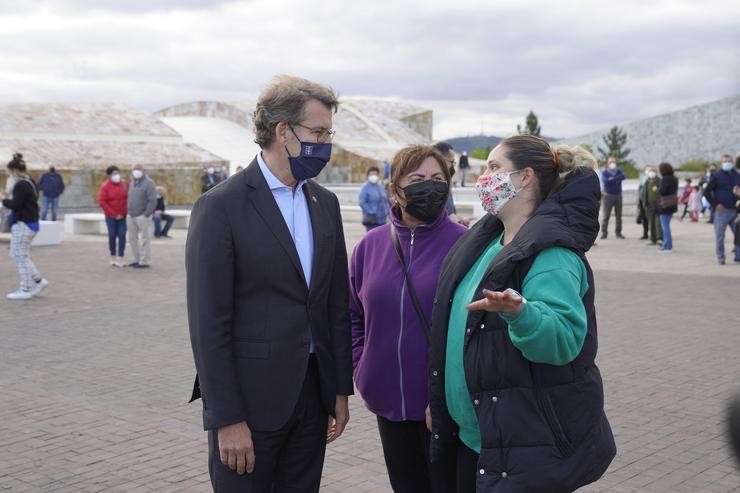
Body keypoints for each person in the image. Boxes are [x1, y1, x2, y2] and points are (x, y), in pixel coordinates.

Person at [186, 74, 353, 492]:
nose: (325, 143)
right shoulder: (221, 206)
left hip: (312, 400)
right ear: (283, 132)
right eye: (317, 132)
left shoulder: (325, 203)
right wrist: (225, 419)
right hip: (250, 408)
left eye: (328, 133)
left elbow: (335, 303)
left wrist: (338, 389)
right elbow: (209, 326)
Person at [428, 135, 615, 492]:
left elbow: (562, 339)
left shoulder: (552, 255)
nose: (484, 177)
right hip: (476, 435)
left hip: (521, 445)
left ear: (526, 177)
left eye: (494, 168)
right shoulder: (489, 240)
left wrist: (522, 314)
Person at [350, 145, 466, 493]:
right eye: (416, 179)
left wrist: (447, 397)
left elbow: (475, 331)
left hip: (444, 408)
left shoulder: (466, 244)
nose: (428, 187)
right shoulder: (369, 246)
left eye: (437, 179)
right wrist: (362, 366)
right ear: (394, 190)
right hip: (387, 403)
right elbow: (353, 316)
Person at [1, 153, 49, 300]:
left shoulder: (21, 185)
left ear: (14, 171)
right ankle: (39, 281)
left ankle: (25, 288)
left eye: (9, 172)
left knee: (18, 255)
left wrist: (4, 199)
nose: (9, 175)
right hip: (30, 223)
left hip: (24, 224)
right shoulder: (30, 182)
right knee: (21, 254)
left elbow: (16, 204)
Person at [704, 154, 740, 264]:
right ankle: (721, 256)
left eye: (729, 161)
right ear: (721, 163)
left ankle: (738, 256)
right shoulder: (717, 176)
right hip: (722, 211)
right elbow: (706, 192)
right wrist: (715, 204)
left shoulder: (737, 175)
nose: (727, 163)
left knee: (738, 236)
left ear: (732, 162)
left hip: (735, 210)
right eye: (725, 161)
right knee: (720, 236)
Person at [126, 164, 157, 268]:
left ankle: (144, 261)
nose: (136, 171)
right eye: (135, 169)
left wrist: (146, 214)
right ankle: (136, 259)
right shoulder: (132, 182)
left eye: (139, 169)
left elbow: (152, 200)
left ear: (144, 171)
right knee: (132, 239)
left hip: (142, 216)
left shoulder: (149, 183)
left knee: (144, 239)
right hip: (131, 215)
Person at [98, 165, 128, 267]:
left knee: (122, 235)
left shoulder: (125, 184)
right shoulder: (105, 186)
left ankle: (121, 257)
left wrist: (123, 212)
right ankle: (112, 255)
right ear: (109, 175)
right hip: (111, 216)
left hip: (122, 215)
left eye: (118, 173)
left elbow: (128, 199)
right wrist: (114, 214)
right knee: (112, 235)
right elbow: (102, 202)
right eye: (114, 174)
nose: (117, 175)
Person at [434, 142, 470, 227]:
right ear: (440, 159)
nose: (452, 167)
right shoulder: (433, 185)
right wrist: (451, 218)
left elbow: (450, 212)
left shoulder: (445, 180)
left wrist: (456, 218)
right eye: (452, 162)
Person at [600, 156, 625, 239]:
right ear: (608, 163)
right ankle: (604, 233)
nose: (612, 164)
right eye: (610, 162)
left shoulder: (619, 170)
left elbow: (623, 176)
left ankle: (618, 232)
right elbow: (605, 181)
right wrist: (616, 180)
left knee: (619, 216)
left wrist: (613, 178)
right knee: (606, 216)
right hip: (608, 196)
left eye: (613, 162)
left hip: (618, 195)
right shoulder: (604, 172)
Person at [358, 165, 390, 232]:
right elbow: (362, 202)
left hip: (383, 219)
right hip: (372, 219)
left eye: (375, 174)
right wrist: (371, 211)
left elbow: (386, 200)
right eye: (372, 174)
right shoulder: (365, 187)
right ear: (368, 175)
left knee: (382, 239)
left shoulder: (380, 186)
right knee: (372, 239)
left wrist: (387, 210)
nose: (374, 176)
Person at [657, 162, 678, 252]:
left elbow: (663, 191)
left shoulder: (665, 179)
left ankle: (667, 246)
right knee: (666, 225)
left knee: (665, 226)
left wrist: (658, 189)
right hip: (672, 203)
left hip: (665, 204)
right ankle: (667, 245)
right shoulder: (674, 178)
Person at [641, 163, 663, 245]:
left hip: (658, 205)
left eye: (653, 171)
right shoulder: (647, 181)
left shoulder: (659, 180)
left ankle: (659, 238)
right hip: (649, 205)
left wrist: (657, 189)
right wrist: (644, 204)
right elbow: (644, 193)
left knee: (658, 223)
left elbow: (662, 190)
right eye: (650, 171)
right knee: (651, 223)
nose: (651, 172)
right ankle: (652, 239)